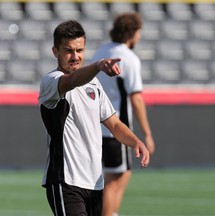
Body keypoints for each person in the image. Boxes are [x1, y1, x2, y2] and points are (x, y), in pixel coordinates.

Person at [38, 20, 150, 216]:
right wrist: (98, 65)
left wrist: (136, 142)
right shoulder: (51, 81)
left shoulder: (94, 85)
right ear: (55, 52)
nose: (75, 56)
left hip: (95, 183)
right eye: (68, 51)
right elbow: (72, 80)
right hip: (66, 181)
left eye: (79, 50)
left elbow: (114, 124)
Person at [91, 12, 155, 216]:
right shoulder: (129, 58)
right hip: (116, 130)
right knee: (116, 181)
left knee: (110, 179)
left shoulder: (100, 52)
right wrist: (147, 134)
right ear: (132, 33)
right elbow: (136, 98)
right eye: (138, 32)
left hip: (96, 127)